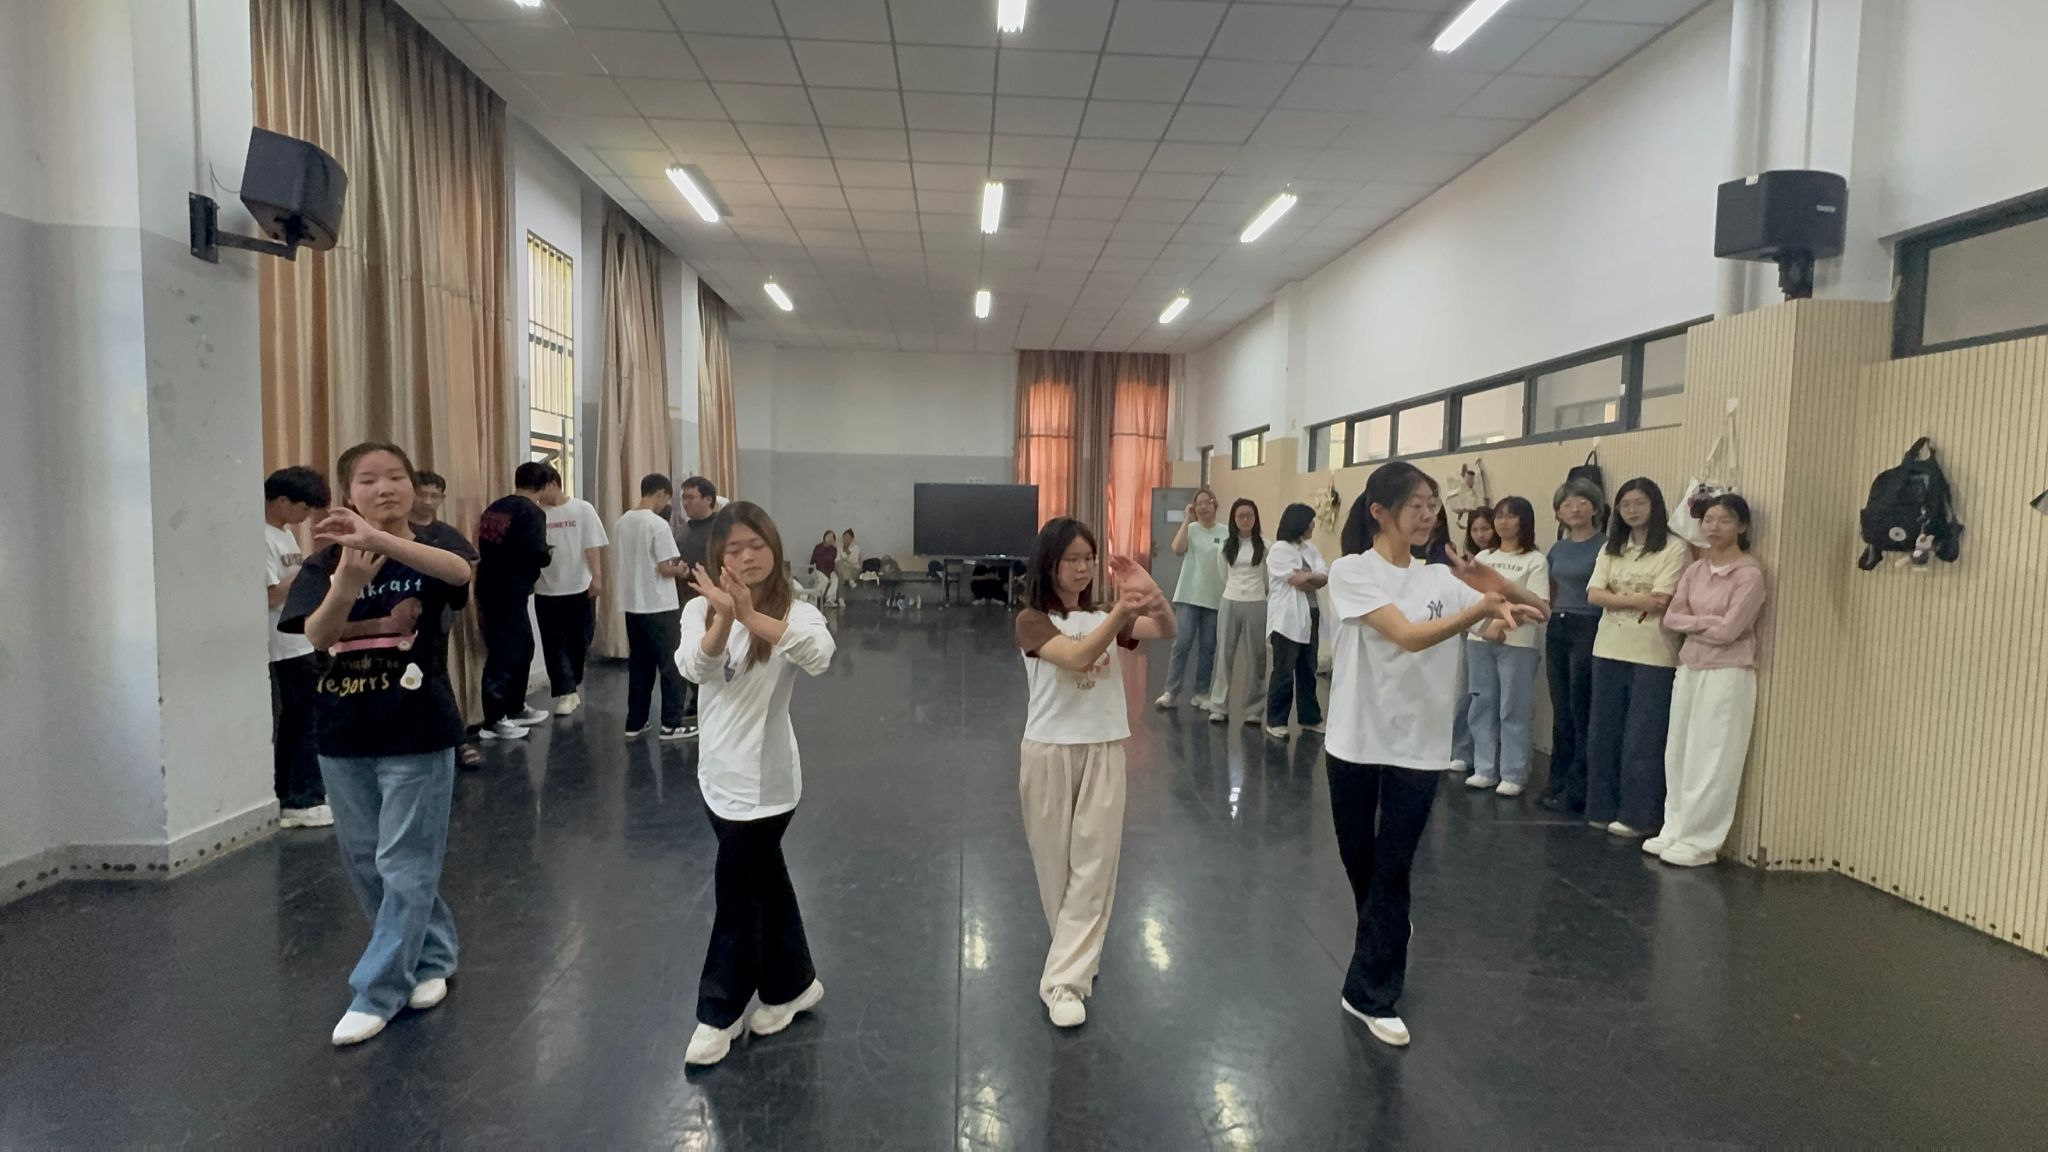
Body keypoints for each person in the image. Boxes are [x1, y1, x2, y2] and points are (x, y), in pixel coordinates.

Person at [1323, 462, 1546, 1048]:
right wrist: (1480, 607)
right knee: (1362, 867)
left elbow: (1537, 608)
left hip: (1419, 747)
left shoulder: (1442, 579)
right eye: (1415, 505)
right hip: (1354, 740)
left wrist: (1488, 580)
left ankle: (1372, 994)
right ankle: (1386, 932)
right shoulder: (1351, 571)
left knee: (1393, 869)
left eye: (1431, 505)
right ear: (1379, 512)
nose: (1428, 515)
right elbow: (1407, 635)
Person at [278, 441, 476, 1047]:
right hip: (342, 732)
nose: (384, 487)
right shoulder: (325, 562)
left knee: (405, 861)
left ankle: (378, 989)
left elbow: (459, 574)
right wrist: (347, 580)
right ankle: (433, 955)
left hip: (417, 729)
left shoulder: (433, 548)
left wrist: (380, 541)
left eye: (395, 477)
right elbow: (318, 635)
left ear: (413, 488)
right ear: (349, 493)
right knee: (368, 860)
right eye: (368, 480)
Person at [678, 502, 837, 1067]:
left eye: (757, 545)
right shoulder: (699, 609)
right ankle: (795, 984)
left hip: (766, 787)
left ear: (774, 548)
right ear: (717, 555)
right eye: (734, 548)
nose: (747, 557)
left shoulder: (798, 610)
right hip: (715, 777)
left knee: (737, 899)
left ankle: (717, 1013)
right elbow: (695, 669)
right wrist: (724, 617)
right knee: (765, 883)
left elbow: (819, 656)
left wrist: (749, 614)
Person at [1014, 517, 1174, 1029]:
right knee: (1055, 869)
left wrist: (1151, 594)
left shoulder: (1104, 615)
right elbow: (1079, 658)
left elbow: (1166, 629)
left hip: (1103, 749)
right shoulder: (1032, 620)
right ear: (1050, 565)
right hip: (1049, 753)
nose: (1082, 569)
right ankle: (1076, 956)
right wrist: (1121, 612)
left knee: (1095, 865)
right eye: (1072, 560)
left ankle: (1064, 982)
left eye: (1089, 559)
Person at [1651, 494, 1767, 867]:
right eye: (1709, 520)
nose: (1714, 527)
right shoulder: (1696, 570)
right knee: (1679, 750)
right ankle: (1675, 827)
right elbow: (1671, 618)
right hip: (1690, 666)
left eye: (1725, 520)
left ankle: (1701, 841)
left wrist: (1694, 623)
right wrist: (1705, 622)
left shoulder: (1749, 574)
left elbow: (1730, 631)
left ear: (1742, 526)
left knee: (1713, 755)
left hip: (1727, 672)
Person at [1583, 477, 1690, 838]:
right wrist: (1636, 599)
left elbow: (1661, 600)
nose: (1632, 510)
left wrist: (1617, 596)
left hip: (1654, 652)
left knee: (1643, 737)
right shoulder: (1612, 547)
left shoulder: (1674, 548)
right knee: (1603, 732)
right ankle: (1601, 806)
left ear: (1655, 505)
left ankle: (1638, 816)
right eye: (1625, 504)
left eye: (1639, 502)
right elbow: (1594, 594)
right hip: (1608, 647)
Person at [1463, 497, 1550, 797]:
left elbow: (1538, 605)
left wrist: (1500, 625)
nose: (1503, 522)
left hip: (1518, 643)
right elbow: (1469, 598)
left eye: (1511, 516)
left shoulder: (1535, 560)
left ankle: (1514, 772)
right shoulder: (1483, 557)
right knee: (1481, 704)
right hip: (1479, 640)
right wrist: (1485, 628)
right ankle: (1484, 768)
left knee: (1513, 708)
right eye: (1499, 516)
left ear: (1524, 521)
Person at [264, 466, 333, 829]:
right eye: (303, 508)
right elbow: (270, 594)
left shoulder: (284, 533)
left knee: (305, 719)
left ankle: (301, 792)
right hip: (282, 646)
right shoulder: (261, 537)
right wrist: (307, 571)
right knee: (301, 721)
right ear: (281, 501)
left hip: (301, 641)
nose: (306, 516)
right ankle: (299, 798)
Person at [1537, 478, 1607, 816]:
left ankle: (1579, 788)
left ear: (1596, 508)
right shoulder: (1557, 549)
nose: (1574, 508)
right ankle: (1557, 780)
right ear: (1558, 513)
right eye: (1566, 504)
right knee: (1561, 708)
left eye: (1582, 502)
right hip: (1558, 625)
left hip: (1588, 625)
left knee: (1582, 709)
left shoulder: (1605, 546)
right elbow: (1549, 589)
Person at [410, 470, 484, 769]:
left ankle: (458, 741)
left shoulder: (447, 534)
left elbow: (468, 565)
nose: (427, 501)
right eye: (422, 494)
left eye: (434, 496)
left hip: (434, 615)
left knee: (434, 675)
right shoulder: (396, 532)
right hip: (391, 616)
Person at [474, 464, 554, 741]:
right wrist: (548, 554)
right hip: (508, 589)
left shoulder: (494, 508)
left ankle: (515, 706)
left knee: (523, 647)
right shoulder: (532, 512)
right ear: (544, 486)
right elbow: (537, 551)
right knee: (504, 653)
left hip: (490, 584)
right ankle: (494, 721)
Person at [614, 473, 694, 741]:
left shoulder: (622, 522)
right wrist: (681, 570)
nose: (665, 505)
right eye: (666, 499)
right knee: (671, 665)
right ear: (660, 493)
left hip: (633, 606)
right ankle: (671, 724)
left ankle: (635, 722)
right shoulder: (657, 525)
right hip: (660, 606)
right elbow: (664, 567)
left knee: (640, 666)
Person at [532, 465, 608, 716]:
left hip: (579, 586)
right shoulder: (537, 513)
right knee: (553, 644)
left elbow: (592, 545)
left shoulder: (582, 509)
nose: (538, 494)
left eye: (541, 488)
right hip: (546, 589)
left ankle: (572, 684)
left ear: (554, 484)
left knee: (580, 640)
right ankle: (565, 691)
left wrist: (597, 576)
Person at [1155, 489, 1226, 710]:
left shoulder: (1226, 532)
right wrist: (1187, 520)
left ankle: (1201, 692)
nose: (1203, 507)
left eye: (1207, 502)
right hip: (1189, 595)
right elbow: (1177, 548)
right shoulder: (1191, 529)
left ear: (1215, 505)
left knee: (1208, 647)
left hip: (1215, 597)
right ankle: (1171, 691)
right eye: (1199, 503)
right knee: (1182, 643)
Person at [1265, 502, 1328, 739]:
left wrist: (1307, 576)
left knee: (1308, 669)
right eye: (1310, 521)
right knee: (1284, 670)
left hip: (1311, 614)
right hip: (1287, 619)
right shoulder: (1279, 549)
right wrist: (1311, 577)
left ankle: (1310, 718)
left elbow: (1324, 576)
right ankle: (1276, 720)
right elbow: (1297, 582)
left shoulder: (1310, 549)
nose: (1313, 526)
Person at [1203, 498, 1268, 725]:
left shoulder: (1265, 546)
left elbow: (1267, 578)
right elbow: (1224, 574)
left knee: (1257, 656)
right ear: (1234, 519)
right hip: (1230, 601)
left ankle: (1254, 709)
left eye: (1249, 515)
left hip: (1256, 602)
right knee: (1224, 655)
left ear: (1255, 518)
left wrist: (1258, 593)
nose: (1245, 519)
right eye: (1241, 516)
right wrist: (1235, 591)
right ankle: (1218, 706)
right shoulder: (1225, 546)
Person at [671, 477, 721, 730]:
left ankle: (714, 701)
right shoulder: (683, 530)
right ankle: (697, 698)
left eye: (690, 497)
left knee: (714, 652)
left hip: (714, 602)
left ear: (708, 499)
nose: (685, 503)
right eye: (683, 498)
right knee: (690, 651)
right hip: (684, 600)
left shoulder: (722, 529)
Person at [808, 531, 841, 608]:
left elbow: (832, 563)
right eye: (828, 537)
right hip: (816, 569)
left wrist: (831, 572)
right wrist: (827, 574)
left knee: (835, 578)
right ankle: (813, 598)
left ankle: (830, 599)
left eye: (832, 537)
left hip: (829, 570)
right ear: (824, 537)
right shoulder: (818, 547)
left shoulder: (834, 550)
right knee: (824, 579)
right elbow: (819, 563)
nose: (830, 539)